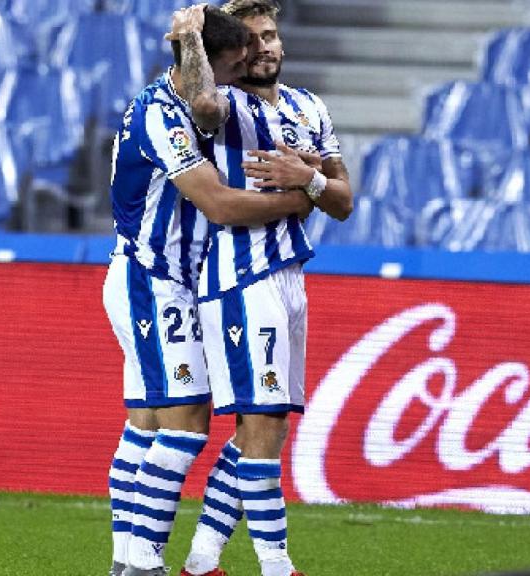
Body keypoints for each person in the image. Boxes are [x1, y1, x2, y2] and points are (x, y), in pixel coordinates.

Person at [102, 7, 324, 576]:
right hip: (152, 279)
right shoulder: (163, 115)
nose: (234, 78)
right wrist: (296, 200)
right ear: (203, 64)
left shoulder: (172, 103)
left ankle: (127, 559)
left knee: (146, 427)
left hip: (167, 281)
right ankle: (144, 563)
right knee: (186, 426)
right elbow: (220, 204)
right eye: (229, 67)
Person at [171, 2, 354, 575]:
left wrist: (311, 178)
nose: (264, 48)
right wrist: (195, 39)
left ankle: (201, 562)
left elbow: (343, 201)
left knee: (262, 430)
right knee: (263, 423)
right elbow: (200, 100)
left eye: (271, 35)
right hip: (238, 277)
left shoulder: (308, 106)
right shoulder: (224, 106)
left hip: (291, 275)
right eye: (250, 40)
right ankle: (277, 566)